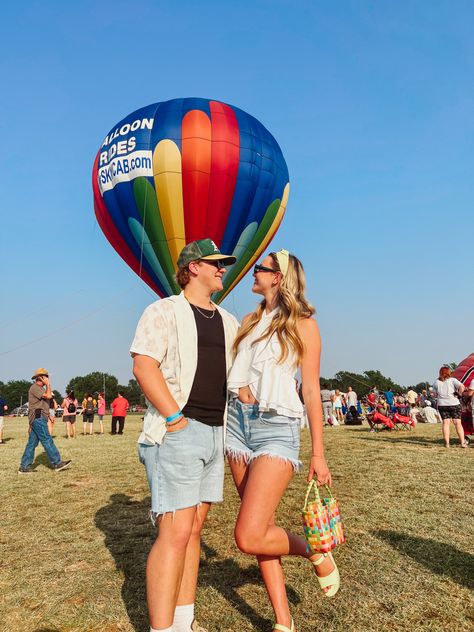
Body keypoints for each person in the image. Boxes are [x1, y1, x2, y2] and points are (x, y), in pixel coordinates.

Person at [225, 249, 338, 632]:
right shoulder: (249, 320)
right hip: (238, 427)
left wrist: (318, 453)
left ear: (278, 277)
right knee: (261, 530)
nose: (252, 273)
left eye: (261, 269)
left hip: (277, 427)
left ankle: (313, 550)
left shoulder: (305, 325)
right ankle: (283, 622)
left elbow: (310, 389)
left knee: (248, 534)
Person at [130, 238, 239, 632]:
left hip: (214, 433)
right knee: (174, 533)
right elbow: (144, 365)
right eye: (216, 263)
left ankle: (183, 621)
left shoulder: (228, 320)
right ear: (194, 267)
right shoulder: (162, 311)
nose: (223, 268)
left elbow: (239, 378)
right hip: (177, 432)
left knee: (193, 531)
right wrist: (175, 418)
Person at [18, 368, 71, 473]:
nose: (48, 378)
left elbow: (47, 399)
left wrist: (48, 414)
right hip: (38, 418)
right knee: (47, 439)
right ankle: (57, 463)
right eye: (46, 376)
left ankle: (24, 467)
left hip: (39, 417)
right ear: (41, 377)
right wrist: (48, 384)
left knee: (32, 443)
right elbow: (48, 396)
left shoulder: (40, 388)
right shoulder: (35, 387)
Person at [431, 366, 467, 448]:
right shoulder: (452, 380)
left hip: (442, 404)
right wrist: (459, 394)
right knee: (457, 423)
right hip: (454, 403)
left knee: (445, 423)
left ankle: (447, 443)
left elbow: (433, 394)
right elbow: (462, 386)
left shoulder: (436, 382)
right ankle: (462, 442)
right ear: (448, 372)